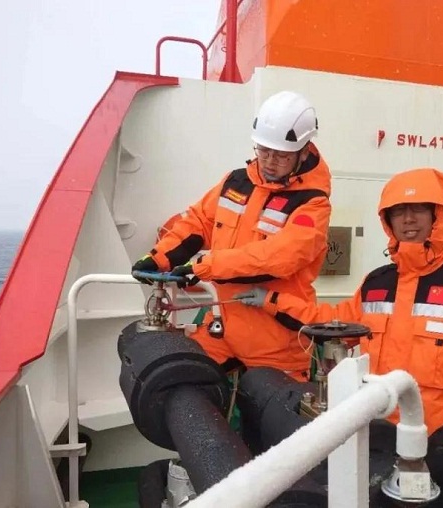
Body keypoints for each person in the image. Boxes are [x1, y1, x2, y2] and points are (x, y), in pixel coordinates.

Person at [236, 168, 443, 434]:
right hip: (377, 434)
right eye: (398, 211)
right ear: (388, 221)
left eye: (418, 209)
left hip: (442, 445)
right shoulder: (377, 284)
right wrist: (271, 300)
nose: (408, 219)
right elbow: (332, 323)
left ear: (437, 214)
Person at [131, 90, 332, 381]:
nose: (269, 161)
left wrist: (205, 267)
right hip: (222, 328)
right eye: (264, 151)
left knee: (275, 408)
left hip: (275, 341)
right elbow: (199, 221)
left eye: (281, 156)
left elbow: (281, 257)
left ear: (303, 151)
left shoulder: (313, 203)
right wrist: (160, 257)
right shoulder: (235, 182)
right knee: (174, 380)